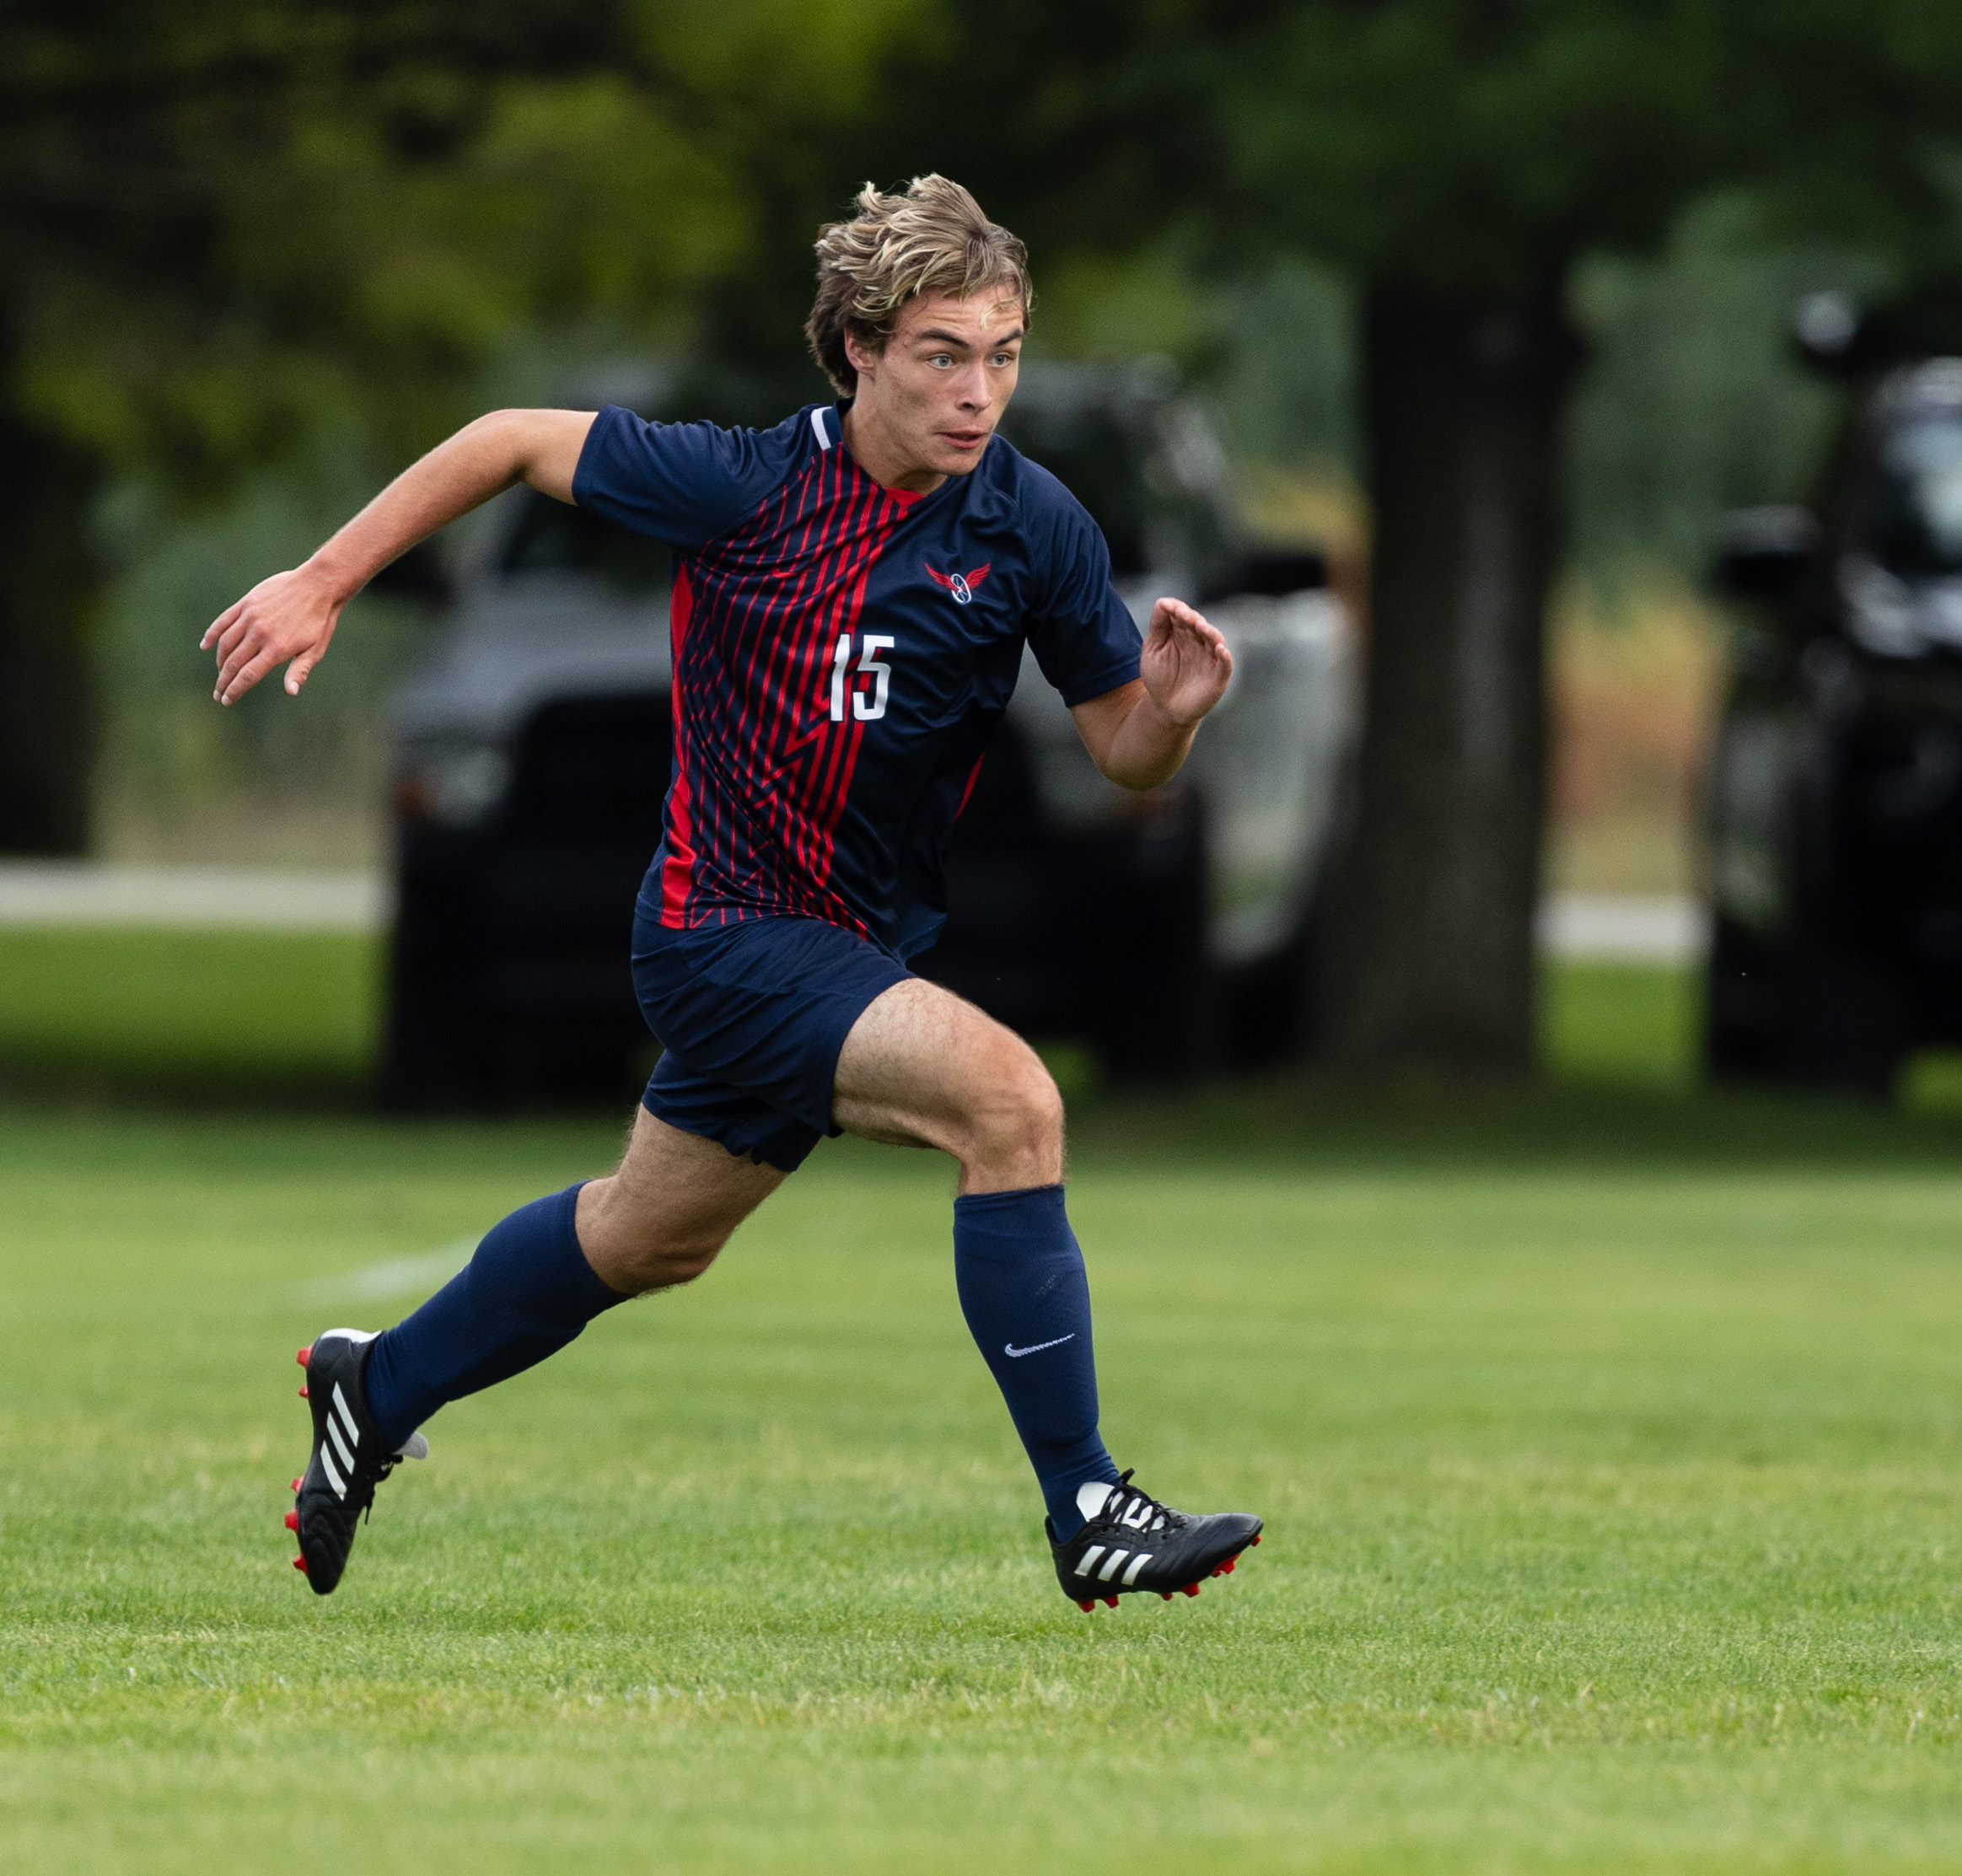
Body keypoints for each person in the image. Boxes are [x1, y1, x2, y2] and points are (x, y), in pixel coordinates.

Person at [209, 174, 1262, 1611]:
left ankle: (375, 1384)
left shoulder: (1031, 523)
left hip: (853, 949)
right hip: (724, 934)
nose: (978, 392)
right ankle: (1087, 1505)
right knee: (1011, 1102)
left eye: (1002, 354)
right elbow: (507, 439)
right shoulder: (744, 485)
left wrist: (1176, 713)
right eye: (941, 355)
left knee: (645, 1238)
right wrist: (324, 580)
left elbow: (1121, 751)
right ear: (859, 351)